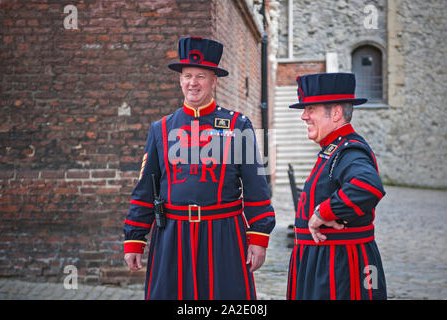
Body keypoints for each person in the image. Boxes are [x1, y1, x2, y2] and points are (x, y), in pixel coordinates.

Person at [123, 37, 275, 300]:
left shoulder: (238, 125)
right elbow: (146, 189)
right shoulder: (160, 128)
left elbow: (256, 188)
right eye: (187, 75)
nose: (193, 83)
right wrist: (135, 237)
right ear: (180, 80)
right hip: (172, 236)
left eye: (201, 76)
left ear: (214, 80)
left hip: (223, 234)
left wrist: (259, 236)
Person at [286, 73, 387, 300]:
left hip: (340, 266)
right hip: (326, 261)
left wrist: (323, 213)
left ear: (336, 113)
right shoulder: (334, 147)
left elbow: (367, 186)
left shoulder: (349, 149)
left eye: (311, 109)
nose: (304, 116)